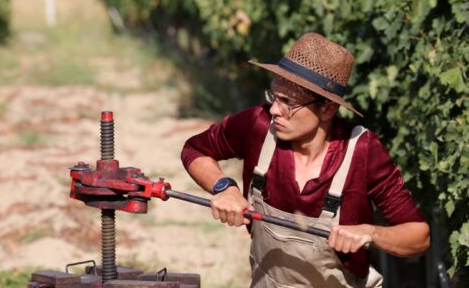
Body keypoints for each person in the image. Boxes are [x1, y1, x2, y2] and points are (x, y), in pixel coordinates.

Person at [181, 33, 429, 287]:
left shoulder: (362, 151)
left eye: (288, 103)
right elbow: (195, 150)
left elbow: (418, 236)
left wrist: (369, 232)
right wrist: (225, 188)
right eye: (274, 97)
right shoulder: (258, 126)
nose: (275, 110)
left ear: (327, 109)